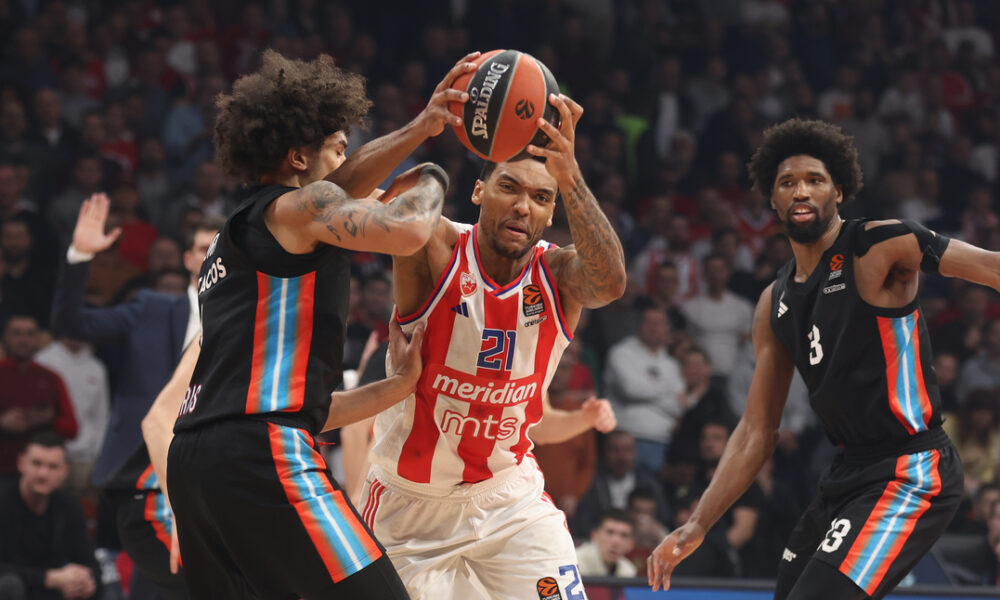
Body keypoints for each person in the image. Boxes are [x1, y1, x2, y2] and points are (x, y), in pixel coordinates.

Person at [143, 49, 474, 600]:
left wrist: (423, 125)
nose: (349, 168)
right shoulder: (297, 208)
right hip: (262, 454)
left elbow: (301, 403)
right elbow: (409, 229)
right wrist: (431, 173)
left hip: (197, 463)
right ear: (299, 159)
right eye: (337, 148)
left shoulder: (232, 242)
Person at [649, 118, 969, 600]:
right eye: (788, 183)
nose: (801, 190)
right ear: (773, 200)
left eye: (815, 180)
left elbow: (989, 266)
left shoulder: (879, 247)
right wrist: (698, 523)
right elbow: (757, 431)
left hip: (912, 467)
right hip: (846, 474)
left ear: (838, 191)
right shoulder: (773, 302)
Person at [363, 92, 625, 599]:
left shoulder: (558, 274)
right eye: (509, 187)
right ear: (480, 191)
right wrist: (421, 127)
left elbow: (611, 283)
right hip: (408, 504)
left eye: (542, 197)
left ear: (552, 212)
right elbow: (332, 199)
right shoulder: (431, 244)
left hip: (509, 501)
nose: (523, 206)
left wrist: (570, 176)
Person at [51, 194, 222, 600]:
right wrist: (79, 256)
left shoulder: (250, 324)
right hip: (141, 478)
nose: (210, 258)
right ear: (186, 259)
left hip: (210, 472)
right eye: (202, 249)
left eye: (219, 249)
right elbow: (69, 323)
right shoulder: (150, 308)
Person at [0, 431, 100, 600]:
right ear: (21, 463)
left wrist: (85, 583)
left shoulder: (68, 506)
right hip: (18, 589)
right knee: (10, 585)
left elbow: (91, 565)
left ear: (64, 471)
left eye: (53, 467)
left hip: (53, 593)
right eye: (36, 464)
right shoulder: (4, 503)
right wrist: (48, 578)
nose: (43, 474)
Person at [0, 315, 77, 481]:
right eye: (17, 333)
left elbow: (72, 428)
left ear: (37, 339)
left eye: (29, 334)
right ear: (5, 337)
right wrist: (3, 422)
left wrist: (47, 420)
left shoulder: (51, 378)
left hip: (41, 473)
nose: (23, 340)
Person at [576, 509, 638, 577]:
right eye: (610, 532)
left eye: (624, 535)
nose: (616, 541)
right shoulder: (574, 563)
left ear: (631, 544)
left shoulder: (628, 571)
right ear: (594, 536)